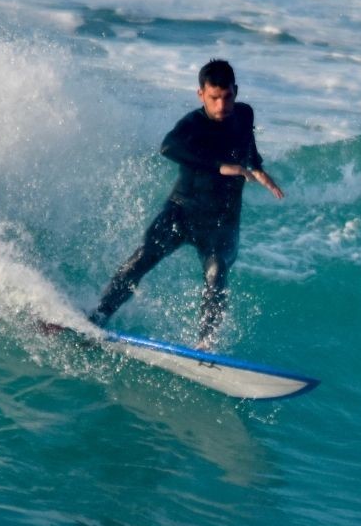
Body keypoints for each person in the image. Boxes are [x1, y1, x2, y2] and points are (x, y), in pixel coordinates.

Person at [89, 58, 284, 347]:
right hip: (182, 211)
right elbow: (168, 146)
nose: (221, 106)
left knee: (217, 272)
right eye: (213, 98)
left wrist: (257, 167)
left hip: (222, 220)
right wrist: (220, 166)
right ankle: (97, 318)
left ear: (236, 91)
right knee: (142, 259)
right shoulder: (192, 124)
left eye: (227, 96)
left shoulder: (244, 114)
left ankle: (205, 344)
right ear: (201, 95)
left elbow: (246, 144)